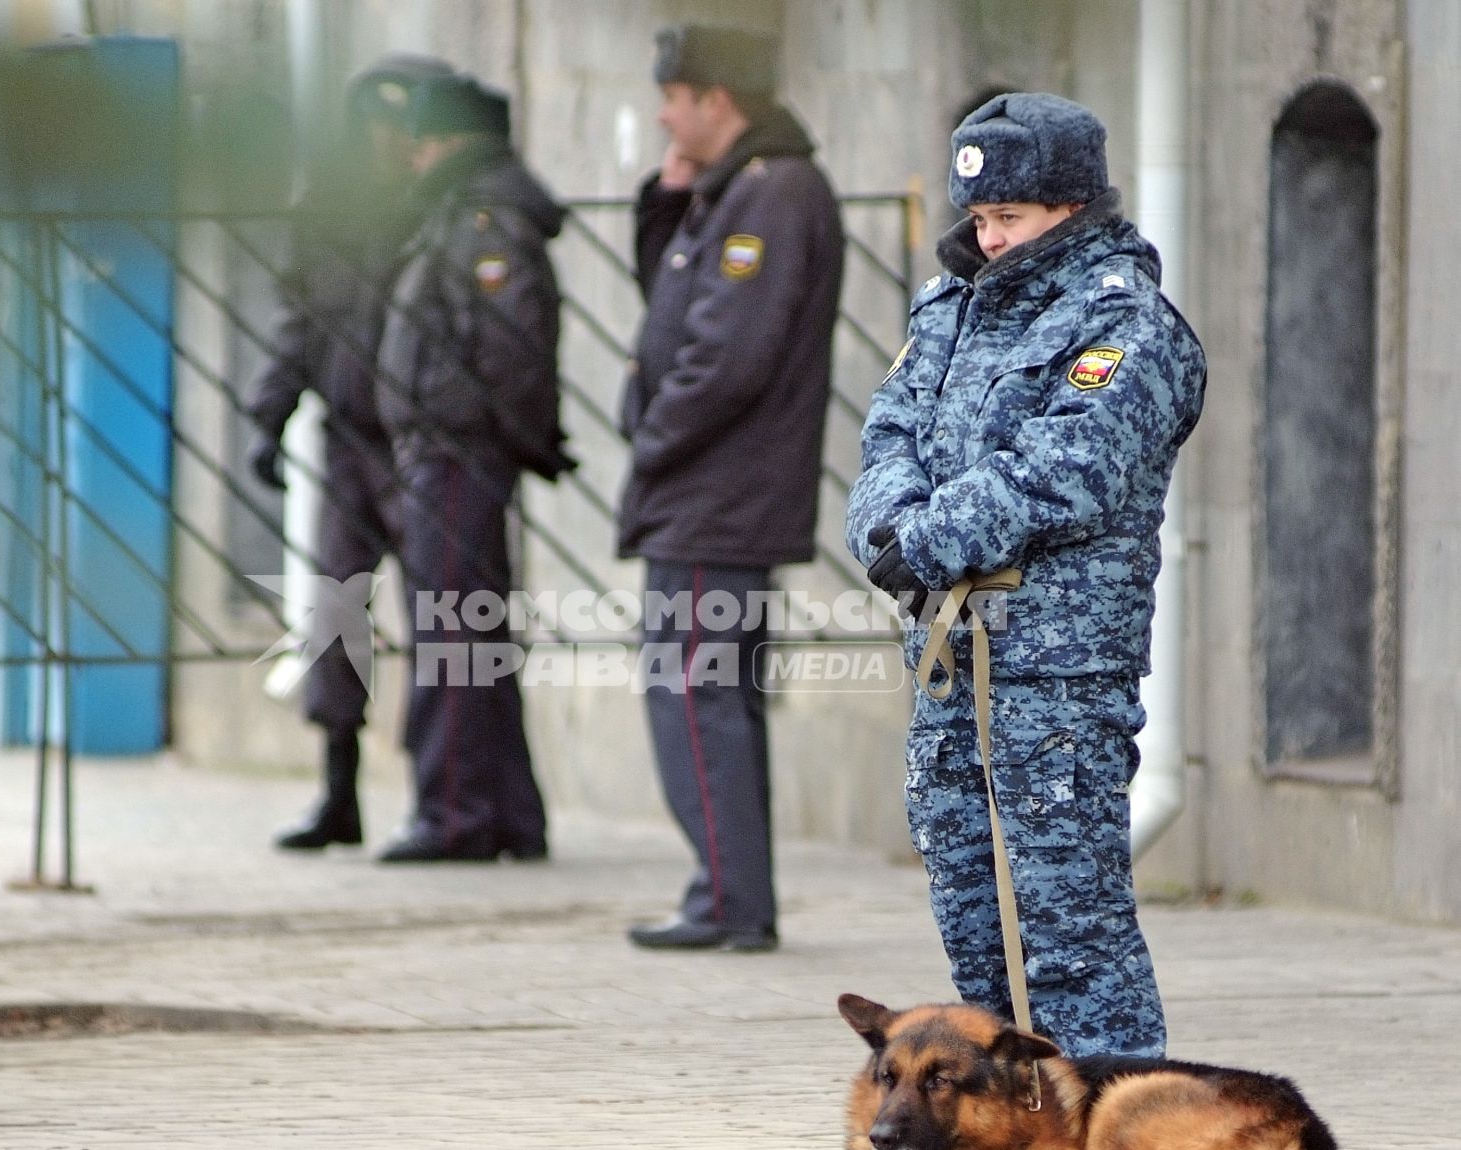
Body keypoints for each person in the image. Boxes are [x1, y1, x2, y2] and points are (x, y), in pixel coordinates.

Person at [846, 92, 1207, 1057]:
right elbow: (889, 431)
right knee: (972, 913)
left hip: (1057, 671)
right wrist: (884, 523)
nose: (991, 238)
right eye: (979, 219)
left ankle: (1121, 1141)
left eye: (1010, 218)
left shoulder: (1126, 322)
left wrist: (923, 542)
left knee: (1069, 929)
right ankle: (1019, 1143)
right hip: (952, 658)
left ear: (1073, 209)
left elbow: (1068, 468)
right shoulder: (949, 310)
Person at [618, 26, 844, 952]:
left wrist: (653, 438)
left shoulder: (773, 193)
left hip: (718, 493)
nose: (664, 113)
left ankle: (730, 903)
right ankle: (730, 895)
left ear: (718, 99)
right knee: (709, 692)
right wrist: (670, 200)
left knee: (697, 691)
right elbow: (673, 305)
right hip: (707, 490)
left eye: (674, 95)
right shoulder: (734, 190)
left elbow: (727, 355)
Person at [247, 54, 453, 852]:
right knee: (336, 616)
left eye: (402, 127)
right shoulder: (327, 212)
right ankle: (339, 789)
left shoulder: (437, 206)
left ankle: (447, 796)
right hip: (349, 441)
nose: (388, 143)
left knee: (448, 620)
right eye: (375, 125)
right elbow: (299, 324)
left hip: (423, 442)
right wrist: (270, 415)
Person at [373, 74, 573, 864]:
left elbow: (513, 347)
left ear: (454, 142)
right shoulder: (461, 213)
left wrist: (516, 436)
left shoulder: (482, 219)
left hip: (459, 456)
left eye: (423, 139)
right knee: (470, 635)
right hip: (450, 454)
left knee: (452, 639)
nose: (413, 153)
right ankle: (509, 817)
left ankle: (454, 815)